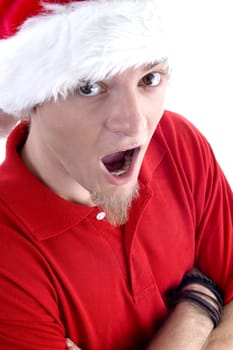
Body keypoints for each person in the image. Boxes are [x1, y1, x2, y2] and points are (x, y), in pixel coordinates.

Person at [0, 0, 232, 349]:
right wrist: (198, 306)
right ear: (30, 100)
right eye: (90, 87)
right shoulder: (6, 253)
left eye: (149, 79)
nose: (136, 124)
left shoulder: (177, 141)